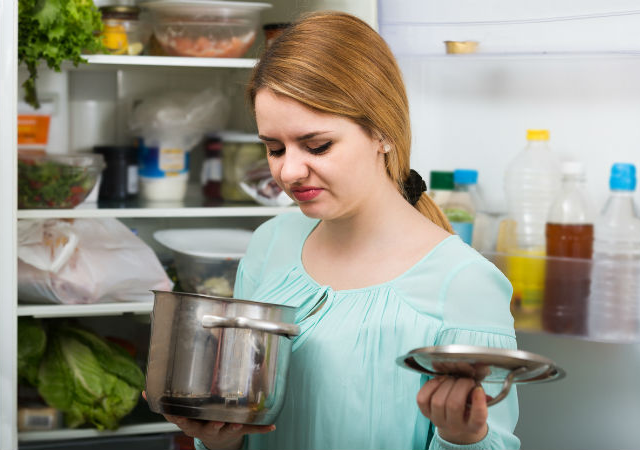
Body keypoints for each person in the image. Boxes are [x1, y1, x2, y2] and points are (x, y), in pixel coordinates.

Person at [164, 11, 520, 450]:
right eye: (274, 148)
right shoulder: (269, 245)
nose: (289, 171)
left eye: (317, 145)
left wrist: (462, 437)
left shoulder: (465, 283)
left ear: (382, 132)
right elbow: (241, 423)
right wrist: (217, 439)